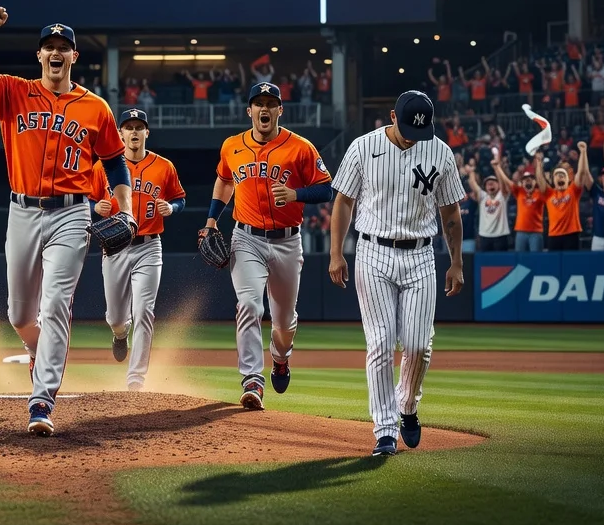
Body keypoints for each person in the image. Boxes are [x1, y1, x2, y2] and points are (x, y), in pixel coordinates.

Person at [0, 7, 131, 437]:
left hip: (72, 214)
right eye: (49, 46)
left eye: (63, 48)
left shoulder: (96, 107)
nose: (55, 53)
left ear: (73, 58)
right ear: (39, 55)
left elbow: (116, 163)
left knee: (55, 306)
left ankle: (41, 400)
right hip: (22, 211)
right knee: (19, 314)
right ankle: (36, 349)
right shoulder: (13, 92)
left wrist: (124, 207)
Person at [329, 90, 465, 457]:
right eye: (406, 127)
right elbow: (343, 200)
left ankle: (407, 406)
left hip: (421, 255)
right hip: (372, 251)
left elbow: (451, 213)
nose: (412, 135)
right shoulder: (362, 147)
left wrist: (456, 261)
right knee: (381, 343)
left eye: (419, 129)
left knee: (419, 345)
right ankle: (384, 430)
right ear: (392, 116)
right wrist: (335, 252)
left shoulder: (440, 151)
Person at [201, 83, 330, 409]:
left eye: (271, 104)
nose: (264, 109)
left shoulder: (300, 148)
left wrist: (296, 194)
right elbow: (224, 179)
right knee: (249, 305)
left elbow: (326, 189)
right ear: (249, 111)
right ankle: (252, 380)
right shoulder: (232, 145)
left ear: (279, 110)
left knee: (284, 322)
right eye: (258, 103)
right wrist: (212, 220)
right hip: (246, 238)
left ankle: (281, 358)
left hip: (287, 241)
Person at [89, 108, 185, 392]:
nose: (133, 132)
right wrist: (95, 206)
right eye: (128, 127)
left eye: (138, 127)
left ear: (146, 133)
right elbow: (85, 198)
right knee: (117, 317)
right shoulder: (102, 167)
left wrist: (172, 208)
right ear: (120, 133)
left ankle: (136, 379)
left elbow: (180, 199)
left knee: (144, 311)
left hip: (149, 246)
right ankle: (120, 333)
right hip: (115, 247)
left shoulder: (164, 167)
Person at [542, 144, 591, 252]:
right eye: (557, 175)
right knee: (554, 266)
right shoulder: (549, 193)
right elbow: (540, 181)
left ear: (568, 179)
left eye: (563, 175)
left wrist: (583, 152)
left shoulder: (573, 190)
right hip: (554, 235)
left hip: (571, 234)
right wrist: (537, 163)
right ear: (553, 180)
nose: (560, 176)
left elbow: (582, 172)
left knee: (571, 266)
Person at [494, 159, 545, 252]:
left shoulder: (540, 194)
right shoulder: (520, 192)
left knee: (537, 260)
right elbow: (507, 181)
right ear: (522, 183)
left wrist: (539, 166)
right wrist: (497, 168)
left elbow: (542, 182)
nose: (528, 181)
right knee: (520, 260)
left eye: (530, 179)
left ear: (535, 182)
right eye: (525, 180)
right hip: (521, 232)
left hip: (536, 233)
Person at [465, 160, 510, 251]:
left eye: (493, 182)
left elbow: (503, 183)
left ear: (498, 185)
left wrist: (496, 168)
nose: (490, 184)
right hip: (484, 236)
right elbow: (473, 184)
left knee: (501, 264)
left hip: (501, 236)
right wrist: (471, 172)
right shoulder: (483, 197)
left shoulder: (502, 196)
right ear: (485, 187)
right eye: (488, 183)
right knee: (485, 264)